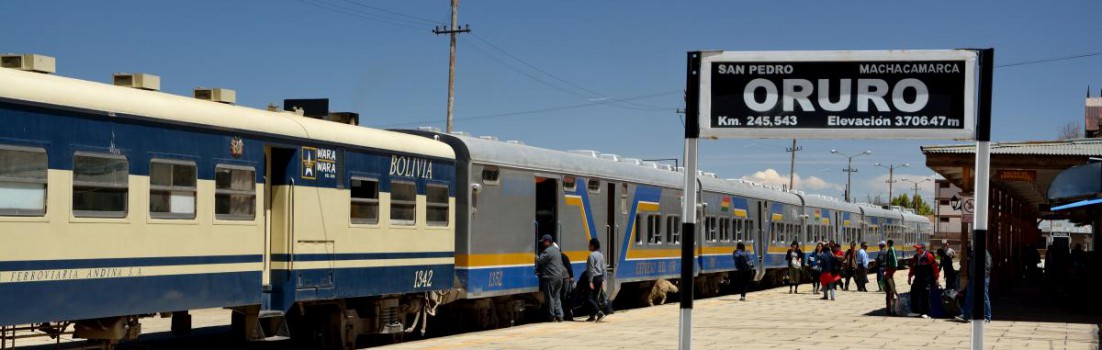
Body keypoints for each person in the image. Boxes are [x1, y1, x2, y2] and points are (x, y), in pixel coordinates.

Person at [535, 234, 566, 322]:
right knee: (556, 296)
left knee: (550, 298)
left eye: (544, 242)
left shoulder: (547, 251)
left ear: (548, 242)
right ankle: (560, 315)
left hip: (550, 277)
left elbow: (539, 260)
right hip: (559, 277)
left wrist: (534, 256)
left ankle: (552, 317)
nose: (543, 244)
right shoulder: (557, 250)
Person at [956, 249, 992, 323]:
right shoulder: (973, 252)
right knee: (969, 297)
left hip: (982, 278)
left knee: (984, 297)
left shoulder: (985, 253)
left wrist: (981, 276)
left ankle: (987, 317)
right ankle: (966, 315)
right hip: (972, 278)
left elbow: (988, 266)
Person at [907, 243, 940, 318]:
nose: (916, 250)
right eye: (916, 248)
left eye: (918, 248)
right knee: (913, 293)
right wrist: (909, 277)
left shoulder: (929, 256)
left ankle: (925, 313)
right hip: (917, 279)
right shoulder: (915, 257)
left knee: (925, 296)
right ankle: (915, 311)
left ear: (922, 249)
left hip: (926, 280)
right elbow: (912, 268)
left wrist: (937, 279)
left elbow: (935, 268)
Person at [584, 238, 607, 322]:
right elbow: (604, 268)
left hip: (593, 278)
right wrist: (603, 280)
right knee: (595, 297)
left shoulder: (591, 256)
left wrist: (590, 281)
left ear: (593, 246)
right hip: (600, 277)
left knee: (589, 298)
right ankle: (592, 316)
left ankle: (599, 312)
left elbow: (590, 269)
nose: (588, 246)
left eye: (589, 244)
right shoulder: (601, 255)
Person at [559, 247, 575, 320]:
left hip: (565, 277)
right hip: (560, 278)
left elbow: (569, 266)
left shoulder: (563, 256)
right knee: (562, 296)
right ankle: (564, 314)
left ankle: (567, 314)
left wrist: (571, 276)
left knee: (565, 295)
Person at [884, 240, 899, 315]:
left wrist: (892, 267)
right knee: (890, 289)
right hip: (890, 269)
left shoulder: (891, 249)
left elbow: (893, 259)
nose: (886, 244)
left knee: (889, 291)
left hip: (891, 268)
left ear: (889, 244)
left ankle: (890, 309)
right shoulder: (891, 249)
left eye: (887, 243)